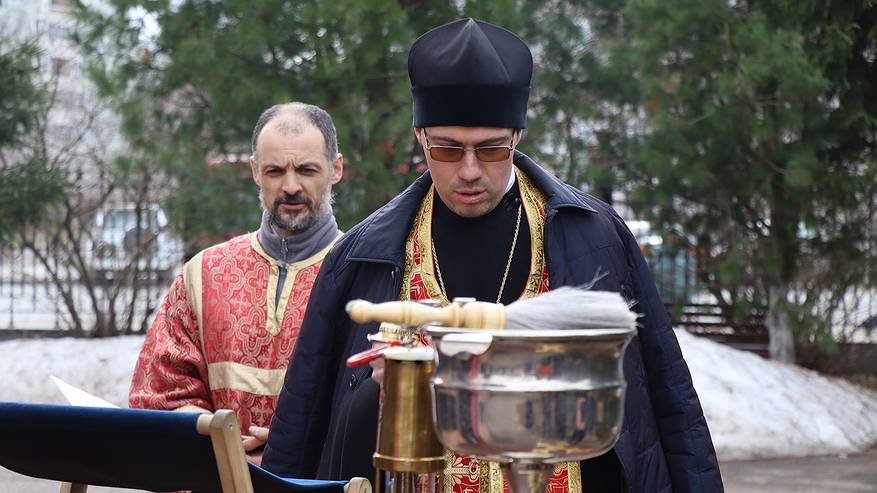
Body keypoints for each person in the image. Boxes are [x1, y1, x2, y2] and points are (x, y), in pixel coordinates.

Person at [262, 19, 723, 492]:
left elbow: (667, 404)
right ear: (420, 136)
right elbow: (309, 424)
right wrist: (381, 391)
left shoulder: (594, 238)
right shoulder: (363, 257)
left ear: (517, 136)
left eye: (490, 148)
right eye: (446, 148)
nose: (469, 171)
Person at [129, 102, 344, 466]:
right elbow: (158, 397)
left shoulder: (361, 273)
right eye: (275, 171)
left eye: (307, 170)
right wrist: (227, 449)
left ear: (336, 168)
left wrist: (293, 448)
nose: (291, 186)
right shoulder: (203, 274)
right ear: (255, 171)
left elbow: (379, 408)